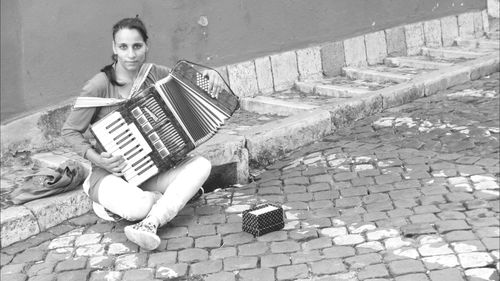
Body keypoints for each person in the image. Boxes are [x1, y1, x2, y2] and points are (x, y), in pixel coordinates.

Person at [61, 16, 224, 250]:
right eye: (123, 47)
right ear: (114, 48)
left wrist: (211, 75)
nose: (131, 54)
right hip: (112, 175)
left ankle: (151, 222)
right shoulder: (98, 85)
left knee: (202, 165)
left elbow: (190, 82)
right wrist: (97, 159)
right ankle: (146, 201)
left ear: (146, 46)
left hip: (154, 171)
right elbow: (70, 131)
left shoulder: (155, 73)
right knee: (138, 206)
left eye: (137, 46)